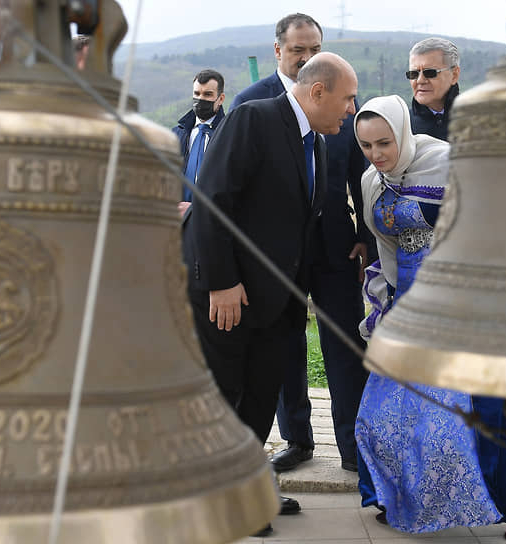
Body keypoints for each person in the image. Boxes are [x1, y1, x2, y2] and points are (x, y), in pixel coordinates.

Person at [189, 52, 358, 536]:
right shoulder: (254, 117)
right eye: (347, 99)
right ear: (318, 91)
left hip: (280, 300)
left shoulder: (318, 145)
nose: (351, 109)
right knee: (227, 397)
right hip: (230, 294)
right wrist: (220, 281)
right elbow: (212, 199)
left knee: (262, 396)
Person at [406, 37, 506, 541]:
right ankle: (430, 499)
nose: (420, 81)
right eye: (413, 74)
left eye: (429, 72)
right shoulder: (405, 129)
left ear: (454, 73)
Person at [353, 94, 501, 534]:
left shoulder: (448, 163)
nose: (377, 154)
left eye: (384, 143)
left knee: (481, 412)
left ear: (401, 132)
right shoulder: (372, 181)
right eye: (366, 146)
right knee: (384, 412)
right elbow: (386, 243)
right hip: (408, 302)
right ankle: (397, 494)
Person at [231, 13, 373, 474]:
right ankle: (296, 439)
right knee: (284, 349)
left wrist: (365, 238)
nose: (307, 57)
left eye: (314, 48)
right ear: (278, 52)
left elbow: (364, 175)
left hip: (335, 249)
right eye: (298, 50)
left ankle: (353, 447)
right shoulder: (251, 104)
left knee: (345, 347)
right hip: (276, 257)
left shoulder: (340, 103)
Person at [172, 69, 226, 330]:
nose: (200, 100)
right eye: (196, 94)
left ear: (220, 98)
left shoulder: (228, 136)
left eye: (207, 95)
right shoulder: (179, 133)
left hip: (211, 227)